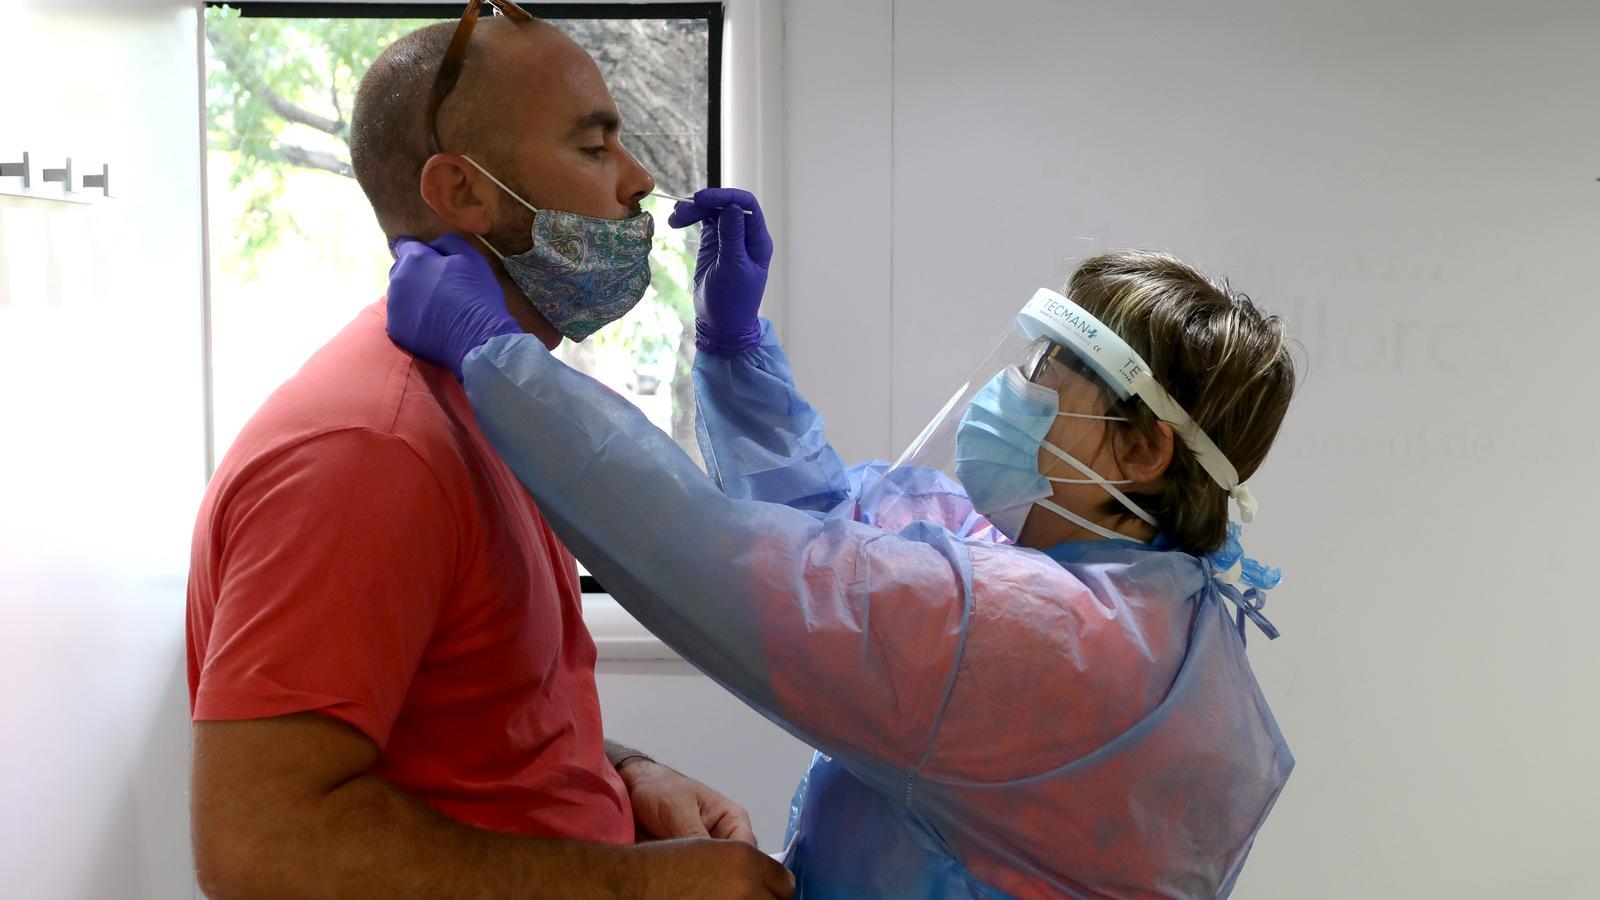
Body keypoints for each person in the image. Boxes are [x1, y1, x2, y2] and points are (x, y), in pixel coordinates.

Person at [383, 187, 1298, 898]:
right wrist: (735, 347)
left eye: (1044, 375)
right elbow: (830, 525)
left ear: (1141, 450)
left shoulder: (1060, 647)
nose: (1012, 391)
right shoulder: (1113, 590)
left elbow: (716, 560)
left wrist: (496, 356)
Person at [186, 6, 793, 899]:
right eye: (594, 149)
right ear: (464, 194)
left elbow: (481, 714)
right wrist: (643, 889)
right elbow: (261, 843)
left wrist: (629, 775)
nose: (639, 180)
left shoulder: (488, 407)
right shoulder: (371, 450)